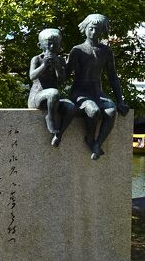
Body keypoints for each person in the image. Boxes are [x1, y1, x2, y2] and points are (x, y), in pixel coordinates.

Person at [67, 14, 129, 160]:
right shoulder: (77, 50)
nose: (94, 33)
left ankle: (97, 143)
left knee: (111, 111)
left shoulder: (105, 51)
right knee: (93, 111)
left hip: (97, 92)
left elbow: (112, 76)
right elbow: (65, 73)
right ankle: (90, 139)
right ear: (85, 28)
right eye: (91, 29)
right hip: (80, 92)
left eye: (98, 30)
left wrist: (120, 100)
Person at [28, 28, 76, 146]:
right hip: (37, 97)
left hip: (54, 100)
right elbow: (32, 76)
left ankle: (58, 134)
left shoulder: (60, 60)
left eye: (54, 44)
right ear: (40, 45)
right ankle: (50, 118)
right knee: (53, 93)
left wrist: (57, 67)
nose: (51, 46)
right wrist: (44, 65)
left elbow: (62, 80)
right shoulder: (37, 59)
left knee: (71, 107)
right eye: (48, 43)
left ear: (59, 46)